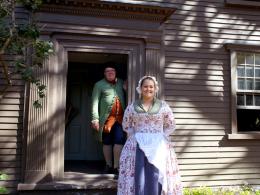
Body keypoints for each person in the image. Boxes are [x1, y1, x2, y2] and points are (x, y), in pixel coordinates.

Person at [117, 76, 182, 195]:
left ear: (155, 88)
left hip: (158, 145)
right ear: (140, 88)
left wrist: (161, 136)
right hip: (137, 145)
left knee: (156, 173)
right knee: (139, 174)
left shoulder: (163, 106)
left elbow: (171, 124)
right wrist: (137, 136)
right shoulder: (132, 106)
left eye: (151, 86)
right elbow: (126, 125)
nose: (148, 89)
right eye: (145, 86)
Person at [91, 62, 126, 177]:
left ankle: (117, 167)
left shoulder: (122, 82)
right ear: (104, 73)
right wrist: (94, 119)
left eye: (112, 71)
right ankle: (108, 165)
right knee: (107, 142)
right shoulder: (98, 85)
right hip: (106, 119)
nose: (110, 73)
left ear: (116, 73)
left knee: (119, 141)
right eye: (107, 71)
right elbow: (94, 103)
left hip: (121, 119)